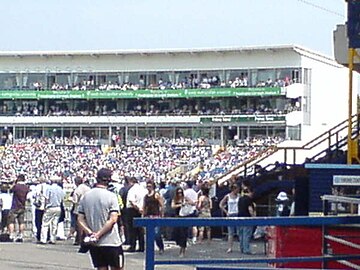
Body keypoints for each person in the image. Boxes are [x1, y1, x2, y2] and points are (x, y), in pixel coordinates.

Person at [78, 168, 124, 270]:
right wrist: (99, 234)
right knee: (117, 267)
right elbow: (113, 219)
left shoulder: (85, 196)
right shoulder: (112, 196)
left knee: (101, 267)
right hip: (111, 241)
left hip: (94, 242)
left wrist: (90, 233)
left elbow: (80, 219)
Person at [39, 175, 65, 244]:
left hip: (50, 207)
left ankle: (43, 239)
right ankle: (53, 238)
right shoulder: (60, 189)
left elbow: (46, 198)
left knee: (45, 224)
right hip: (58, 207)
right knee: (54, 224)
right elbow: (63, 198)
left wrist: (44, 206)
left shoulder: (49, 188)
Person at [125, 176, 146, 252]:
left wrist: (137, 208)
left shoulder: (132, 190)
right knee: (140, 229)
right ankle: (141, 246)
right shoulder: (143, 189)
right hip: (142, 209)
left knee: (132, 229)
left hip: (133, 210)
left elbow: (131, 201)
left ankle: (132, 246)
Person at [143, 180, 164, 254]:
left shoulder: (156, 195)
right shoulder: (145, 196)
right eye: (147, 186)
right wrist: (143, 215)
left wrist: (162, 215)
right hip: (148, 216)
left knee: (157, 234)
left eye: (150, 186)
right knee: (148, 234)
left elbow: (161, 205)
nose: (148, 187)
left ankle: (161, 247)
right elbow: (144, 206)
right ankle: (150, 249)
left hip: (156, 215)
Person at [7, 174, 30, 242]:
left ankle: (11, 235)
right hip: (22, 206)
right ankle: (21, 235)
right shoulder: (26, 187)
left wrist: (14, 182)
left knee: (11, 221)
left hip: (15, 206)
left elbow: (11, 189)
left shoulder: (16, 186)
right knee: (21, 222)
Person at [219, 183, 240, 253]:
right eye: (237, 189)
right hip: (230, 214)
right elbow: (221, 204)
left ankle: (241, 246)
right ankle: (230, 247)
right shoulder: (227, 196)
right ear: (234, 189)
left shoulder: (239, 196)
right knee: (230, 232)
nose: (238, 191)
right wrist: (226, 211)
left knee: (239, 231)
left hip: (237, 214)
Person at [171, 186, 191, 257]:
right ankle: (180, 245)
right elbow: (172, 206)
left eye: (181, 193)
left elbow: (192, 202)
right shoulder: (175, 199)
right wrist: (180, 205)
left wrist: (187, 202)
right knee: (177, 234)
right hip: (177, 217)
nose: (180, 194)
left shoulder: (184, 198)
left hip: (184, 217)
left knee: (183, 234)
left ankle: (182, 250)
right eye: (178, 193)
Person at [238, 186, 256, 254]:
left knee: (241, 234)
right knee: (247, 234)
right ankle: (246, 249)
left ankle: (242, 248)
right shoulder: (249, 199)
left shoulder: (240, 199)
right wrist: (253, 217)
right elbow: (250, 209)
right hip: (247, 218)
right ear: (249, 192)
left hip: (239, 218)